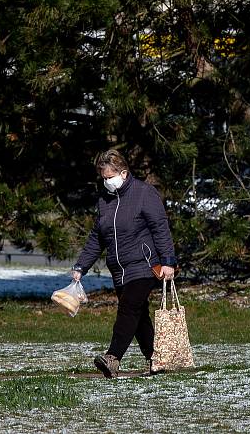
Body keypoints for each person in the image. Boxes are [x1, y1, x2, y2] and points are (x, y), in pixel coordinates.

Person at [71, 149, 177, 378]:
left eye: (110, 177)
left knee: (128, 309)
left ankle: (113, 357)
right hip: (119, 270)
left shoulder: (144, 193)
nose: (106, 182)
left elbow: (160, 228)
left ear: (124, 173)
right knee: (138, 317)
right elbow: (97, 238)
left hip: (145, 265)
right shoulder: (104, 201)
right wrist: (81, 266)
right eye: (103, 178)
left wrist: (168, 261)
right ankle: (156, 360)